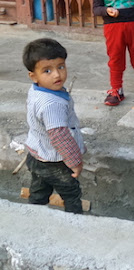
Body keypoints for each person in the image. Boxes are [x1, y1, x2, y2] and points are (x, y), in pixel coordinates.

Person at [22, 38, 85, 214]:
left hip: (36, 155)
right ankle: (75, 219)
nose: (57, 75)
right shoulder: (52, 104)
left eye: (61, 67)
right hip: (55, 162)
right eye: (47, 71)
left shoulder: (36, 90)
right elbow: (59, 136)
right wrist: (75, 162)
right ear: (33, 76)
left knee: (39, 189)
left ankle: (34, 214)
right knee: (71, 193)